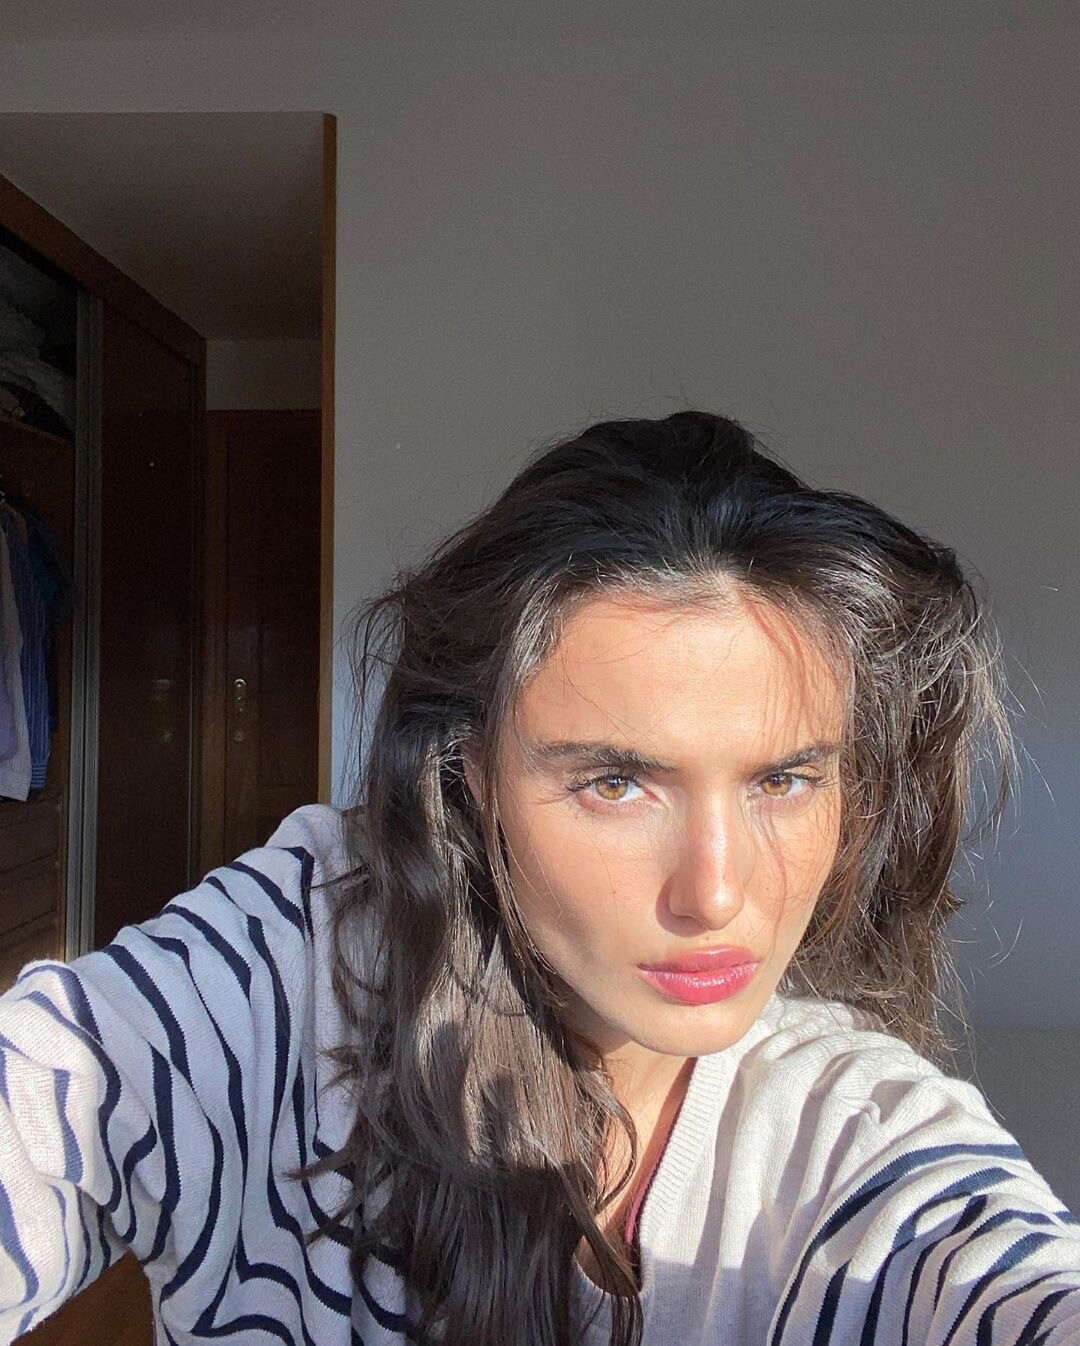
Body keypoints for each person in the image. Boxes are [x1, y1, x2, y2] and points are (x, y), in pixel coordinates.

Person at [0, 410, 1077, 1346]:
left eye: (784, 779)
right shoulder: (293, 966)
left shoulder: (853, 1129)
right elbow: (58, 1093)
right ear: (469, 773)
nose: (716, 894)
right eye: (616, 782)